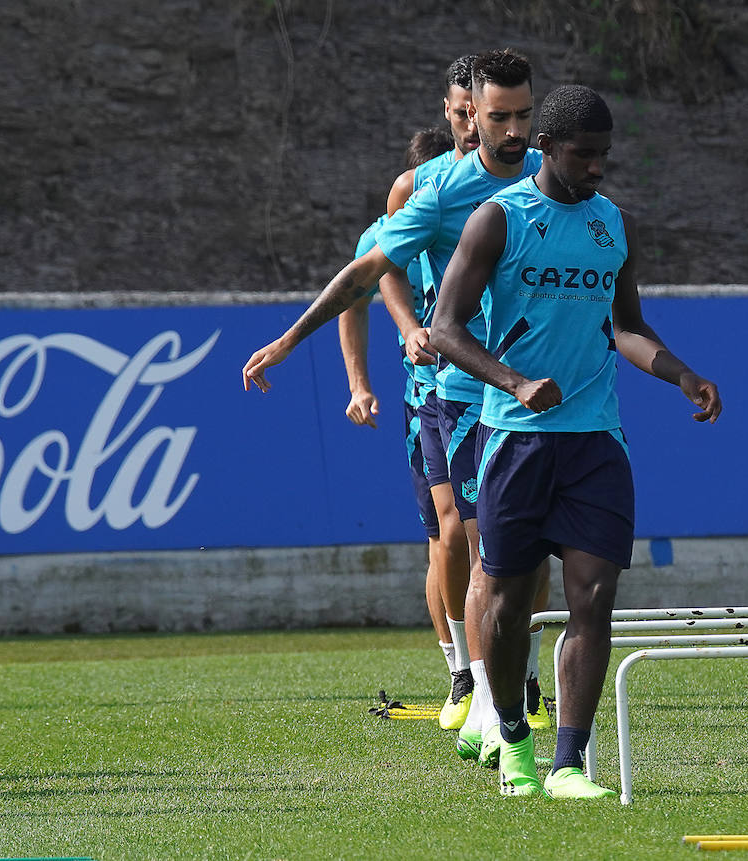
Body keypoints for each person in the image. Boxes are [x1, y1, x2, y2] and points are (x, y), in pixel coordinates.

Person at [240, 50, 552, 749]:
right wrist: (293, 340)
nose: (501, 128)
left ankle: (519, 684)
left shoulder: (551, 176)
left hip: (546, 397)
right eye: (487, 114)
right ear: (462, 111)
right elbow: (367, 275)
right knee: (466, 539)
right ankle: (476, 688)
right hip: (464, 392)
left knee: (533, 556)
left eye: (517, 116)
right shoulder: (432, 189)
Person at [431, 84, 722, 798]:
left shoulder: (611, 225)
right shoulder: (499, 220)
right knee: (503, 605)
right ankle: (513, 739)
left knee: (593, 598)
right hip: (516, 440)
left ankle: (568, 762)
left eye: (603, 156)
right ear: (546, 148)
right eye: (582, 155)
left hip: (595, 441)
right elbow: (445, 327)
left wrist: (680, 373)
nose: (596, 168)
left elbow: (624, 324)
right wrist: (513, 380)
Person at [339, 122, 462, 726]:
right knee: (445, 537)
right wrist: (359, 383)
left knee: (500, 537)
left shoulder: (485, 217)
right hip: (425, 402)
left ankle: (516, 677)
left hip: (483, 394)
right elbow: (349, 301)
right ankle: (459, 675)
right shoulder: (389, 233)